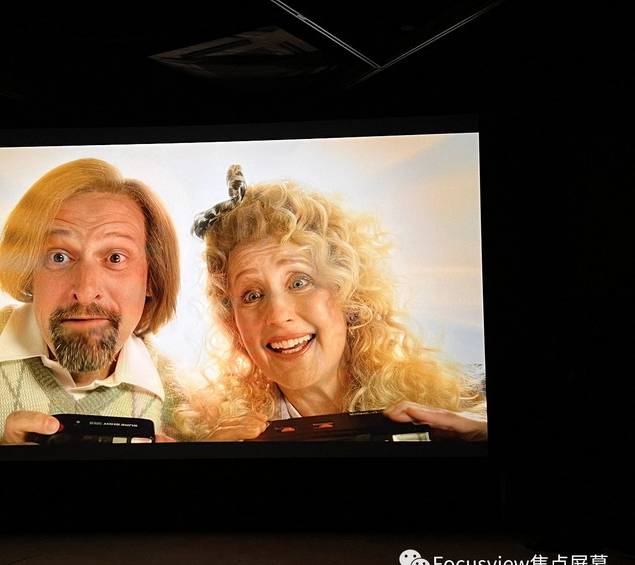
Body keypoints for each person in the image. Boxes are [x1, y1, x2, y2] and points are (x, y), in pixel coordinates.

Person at [0, 158, 188, 446]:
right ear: (28, 269)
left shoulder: (193, 409)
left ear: (152, 277)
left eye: (115, 258)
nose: (85, 291)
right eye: (59, 256)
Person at [175, 165, 487, 442]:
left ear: (348, 294)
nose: (278, 315)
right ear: (234, 323)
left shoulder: (459, 410)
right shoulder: (213, 435)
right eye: (252, 295)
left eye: (299, 282)